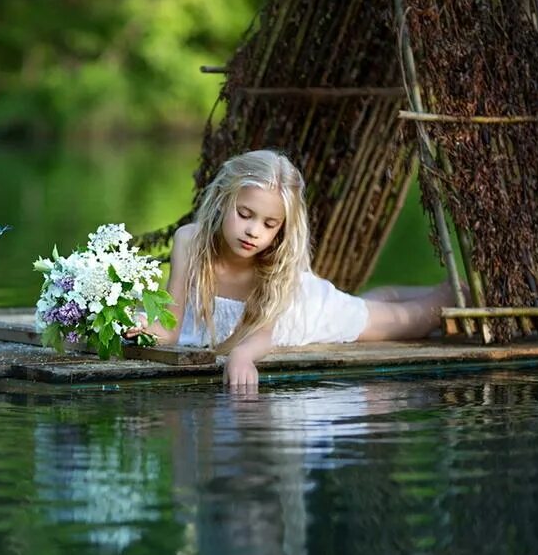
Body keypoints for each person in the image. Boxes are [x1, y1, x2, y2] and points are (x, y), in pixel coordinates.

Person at [126, 149, 459, 391]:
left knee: (415, 320)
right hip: (272, 320)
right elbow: (168, 328)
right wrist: (140, 327)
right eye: (245, 214)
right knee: (369, 304)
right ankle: (416, 294)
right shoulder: (189, 241)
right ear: (223, 201)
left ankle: (460, 291)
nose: (254, 231)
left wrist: (242, 357)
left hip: (304, 314)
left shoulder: (274, 263)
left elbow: (263, 334)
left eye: (269, 224)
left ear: (281, 229)